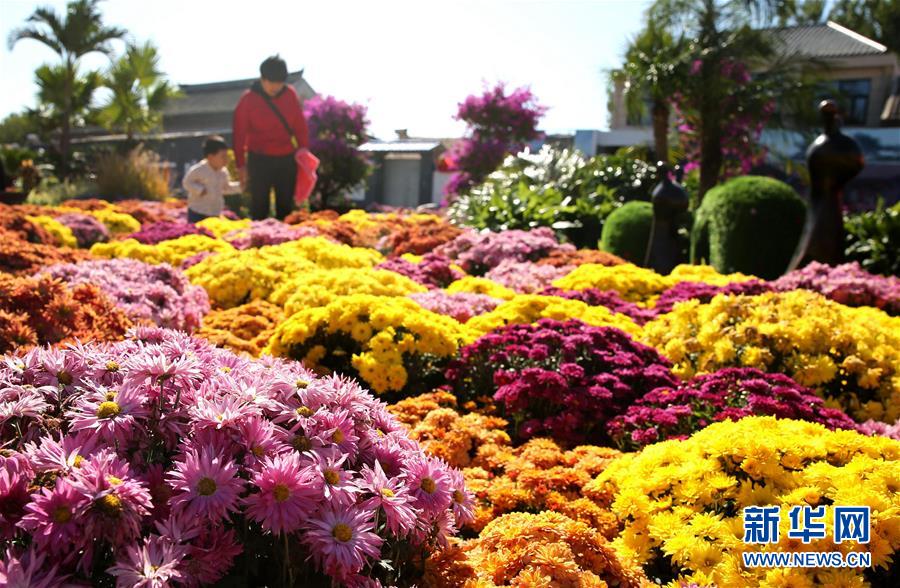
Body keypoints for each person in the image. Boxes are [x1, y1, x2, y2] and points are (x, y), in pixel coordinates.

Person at [233, 55, 310, 220]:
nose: (275, 87)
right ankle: (258, 242)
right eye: (271, 82)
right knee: (259, 206)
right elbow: (239, 134)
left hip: (286, 158)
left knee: (285, 207)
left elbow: (300, 126)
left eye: (279, 82)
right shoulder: (248, 99)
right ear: (262, 78)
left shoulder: (290, 94)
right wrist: (241, 165)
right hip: (259, 158)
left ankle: (285, 243)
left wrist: (304, 151)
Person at [182, 135, 241, 223]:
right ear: (210, 157)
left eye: (226, 156)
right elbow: (186, 182)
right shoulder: (199, 170)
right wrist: (199, 189)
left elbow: (226, 188)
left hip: (214, 212)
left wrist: (241, 186)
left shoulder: (223, 172)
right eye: (223, 156)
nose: (226, 160)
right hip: (197, 212)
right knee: (197, 234)